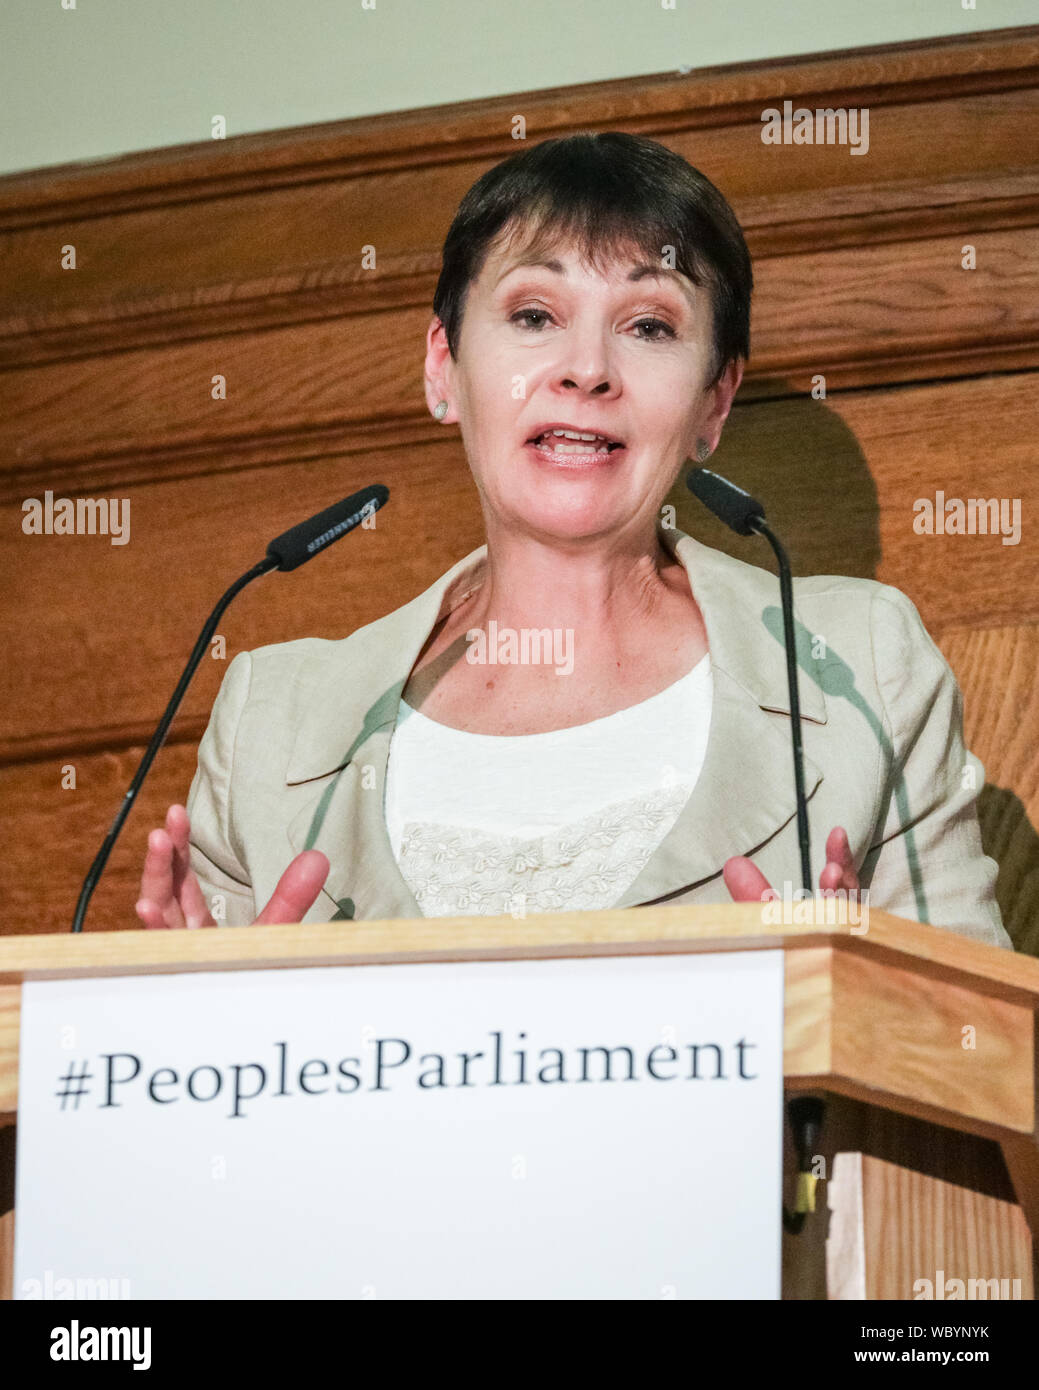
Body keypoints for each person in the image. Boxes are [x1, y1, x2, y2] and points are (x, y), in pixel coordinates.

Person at [135, 132, 1011, 949]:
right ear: (442, 367)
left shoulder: (861, 665)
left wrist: (866, 999)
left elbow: (987, 1065)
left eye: (648, 326)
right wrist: (194, 1026)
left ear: (714, 402)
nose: (586, 368)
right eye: (532, 314)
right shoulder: (273, 721)